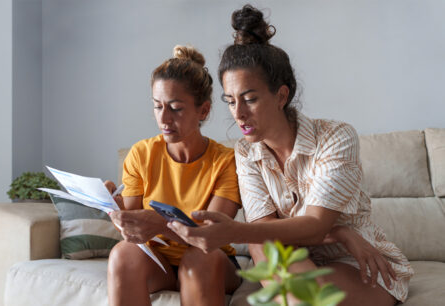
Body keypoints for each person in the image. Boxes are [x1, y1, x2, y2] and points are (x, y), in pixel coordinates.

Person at [167, 5, 414, 306]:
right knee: (279, 267)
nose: (238, 114)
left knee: (302, 294)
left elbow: (313, 224)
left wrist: (235, 230)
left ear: (281, 95)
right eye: (230, 101)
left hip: (354, 260)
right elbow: (262, 236)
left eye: (250, 99)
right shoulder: (245, 152)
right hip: (287, 256)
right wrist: (340, 232)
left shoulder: (336, 137)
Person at [105, 45, 243, 306]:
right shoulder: (141, 154)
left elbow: (210, 236)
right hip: (161, 261)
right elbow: (133, 228)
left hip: (212, 259)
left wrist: (159, 224)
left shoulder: (226, 161)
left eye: (176, 108)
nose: (164, 118)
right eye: (158, 106)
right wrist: (114, 209)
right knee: (123, 254)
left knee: (198, 259)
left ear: (203, 111)